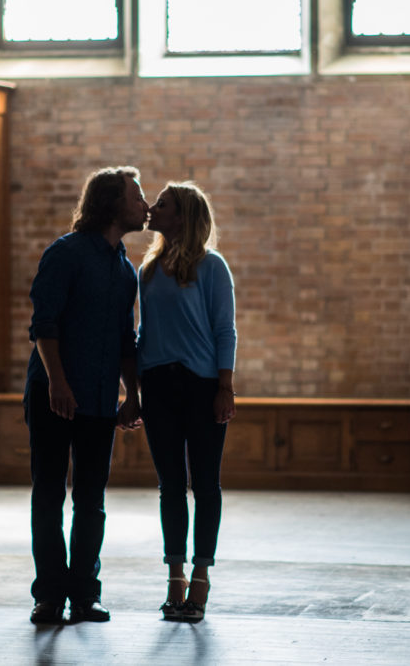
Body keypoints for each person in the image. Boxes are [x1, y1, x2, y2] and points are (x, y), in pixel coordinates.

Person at [24, 166, 148, 625]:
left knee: (91, 501)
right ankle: (49, 596)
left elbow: (125, 340)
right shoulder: (66, 253)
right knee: (49, 495)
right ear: (112, 204)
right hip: (53, 394)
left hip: (98, 401)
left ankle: (84, 595)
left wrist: (131, 395)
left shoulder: (125, 270)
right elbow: (44, 324)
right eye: (137, 197)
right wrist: (57, 382)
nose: (145, 205)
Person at [137, 181, 237, 622]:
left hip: (201, 386)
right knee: (170, 487)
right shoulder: (148, 269)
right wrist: (133, 391)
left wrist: (225, 387)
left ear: (183, 217)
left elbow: (224, 331)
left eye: (162, 204)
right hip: (157, 385)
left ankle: (201, 574)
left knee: (206, 485)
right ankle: (174, 577)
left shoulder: (212, 267)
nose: (152, 209)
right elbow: (143, 335)